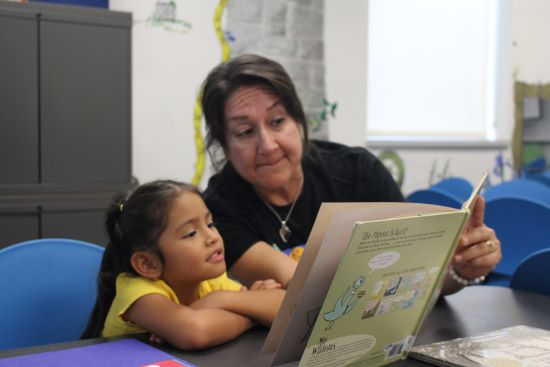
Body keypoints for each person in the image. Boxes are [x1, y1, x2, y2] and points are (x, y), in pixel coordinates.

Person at [201, 53, 502, 294]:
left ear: (298, 121)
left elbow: (419, 277)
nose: (267, 145)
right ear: (224, 146)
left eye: (277, 121)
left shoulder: (358, 172)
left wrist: (461, 268)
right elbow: (301, 285)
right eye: (245, 131)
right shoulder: (219, 209)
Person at [82, 179, 284, 350]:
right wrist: (251, 315)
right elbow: (196, 332)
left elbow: (286, 308)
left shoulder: (210, 284)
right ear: (147, 263)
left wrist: (221, 298)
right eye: (190, 234)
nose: (212, 237)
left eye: (210, 224)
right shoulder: (137, 292)